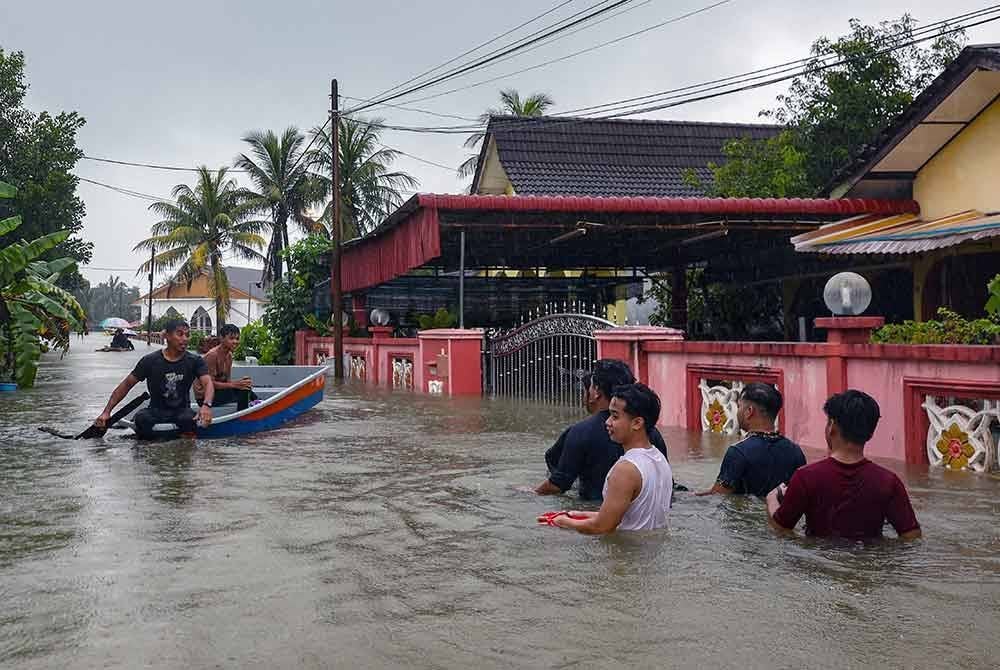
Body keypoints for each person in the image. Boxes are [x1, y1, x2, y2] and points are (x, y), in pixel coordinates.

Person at [766, 390, 922, 540]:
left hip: (818, 561)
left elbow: (781, 529)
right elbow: (911, 537)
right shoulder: (889, 482)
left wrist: (772, 500)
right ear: (871, 433)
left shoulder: (805, 477)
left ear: (832, 426)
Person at [539, 383, 672, 533]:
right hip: (652, 552)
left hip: (624, 554)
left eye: (615, 416)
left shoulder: (626, 469)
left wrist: (562, 521)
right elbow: (633, 517)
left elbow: (601, 527)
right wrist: (580, 515)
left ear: (637, 423)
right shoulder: (659, 458)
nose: (607, 422)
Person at [534, 359, 669, 501]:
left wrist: (528, 492)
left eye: (591, 385)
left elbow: (558, 484)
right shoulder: (649, 431)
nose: (608, 423)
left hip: (595, 511)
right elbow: (665, 483)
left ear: (597, 391)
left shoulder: (581, 431)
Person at [94, 319, 213, 439]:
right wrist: (106, 412)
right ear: (167, 336)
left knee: (188, 420)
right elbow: (126, 385)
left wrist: (206, 406)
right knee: (142, 420)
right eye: (180, 334)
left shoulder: (195, 361)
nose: (185, 339)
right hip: (155, 410)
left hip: (182, 411)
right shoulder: (150, 360)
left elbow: (208, 383)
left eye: (187, 335)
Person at [696, 383, 805, 498]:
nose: (737, 411)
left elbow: (717, 496)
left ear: (749, 411)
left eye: (739, 406)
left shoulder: (738, 452)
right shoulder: (796, 451)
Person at [194, 323, 256, 410]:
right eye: (231, 338)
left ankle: (257, 404)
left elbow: (227, 380)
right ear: (222, 338)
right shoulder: (212, 355)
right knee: (243, 391)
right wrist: (234, 385)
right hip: (205, 397)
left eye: (237, 339)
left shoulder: (229, 355)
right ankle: (242, 417)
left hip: (218, 392)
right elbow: (209, 384)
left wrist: (239, 384)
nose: (235, 342)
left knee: (245, 387)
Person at [543, 373, 595, 475]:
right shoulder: (625, 429)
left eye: (584, 392)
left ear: (595, 393)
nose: (583, 398)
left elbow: (552, 459)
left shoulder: (579, 431)